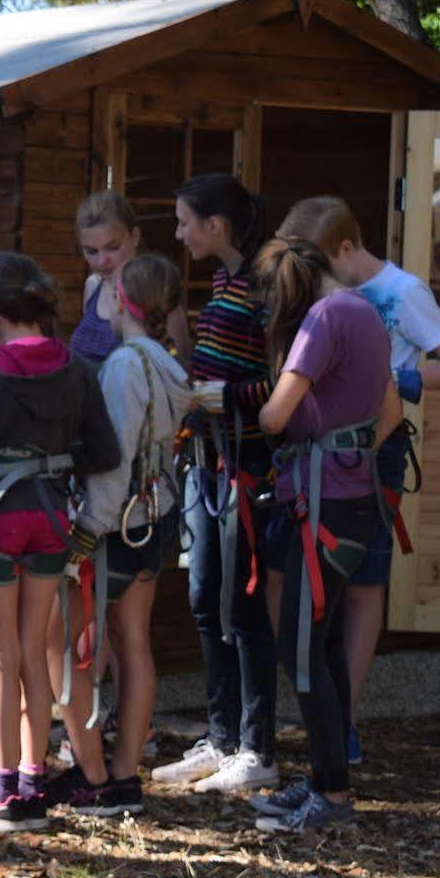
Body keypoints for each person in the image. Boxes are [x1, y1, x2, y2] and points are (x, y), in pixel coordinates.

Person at [278, 196, 440, 764]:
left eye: (314, 262)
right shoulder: (327, 293)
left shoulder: (404, 292)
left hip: (377, 451)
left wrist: (396, 380)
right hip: (321, 455)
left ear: (344, 248)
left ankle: (348, 724)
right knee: (321, 590)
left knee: (363, 588)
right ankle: (325, 717)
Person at [0, 253, 119, 832]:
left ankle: (4, 787)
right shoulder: (76, 370)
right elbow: (105, 453)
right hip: (49, 520)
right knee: (38, 648)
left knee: (0, 653)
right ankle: (35, 780)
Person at [249, 236, 397, 832]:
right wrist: (348, 451)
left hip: (323, 506)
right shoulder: (366, 311)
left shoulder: (322, 319)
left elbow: (273, 416)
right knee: (324, 645)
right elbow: (390, 416)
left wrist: (311, 441)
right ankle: (322, 778)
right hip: (355, 497)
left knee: (304, 651)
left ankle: (332, 797)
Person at [46, 254, 193, 817]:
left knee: (60, 643)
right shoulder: (165, 362)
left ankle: (97, 773)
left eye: (110, 288)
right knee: (133, 642)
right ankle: (124, 775)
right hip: (153, 519)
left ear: (124, 303)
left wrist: (85, 532)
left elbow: (113, 463)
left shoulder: (128, 367)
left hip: (119, 526)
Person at [154, 173, 282, 798]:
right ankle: (221, 737)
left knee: (244, 607)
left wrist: (222, 396)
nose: (178, 234)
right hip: (206, 460)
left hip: (249, 465)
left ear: (216, 225)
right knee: (205, 597)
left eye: (184, 222)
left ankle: (259, 747)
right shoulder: (225, 277)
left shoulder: (267, 281)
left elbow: (284, 381)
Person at [70, 190, 193, 366]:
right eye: (91, 251)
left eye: (112, 247)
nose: (102, 261)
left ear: (135, 237)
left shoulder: (156, 292)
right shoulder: (93, 285)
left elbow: (178, 371)